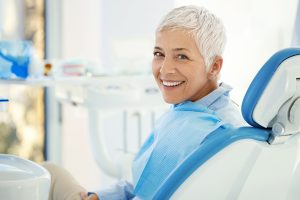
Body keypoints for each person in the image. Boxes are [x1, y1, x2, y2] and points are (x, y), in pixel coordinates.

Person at [43, 5, 245, 200]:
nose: (165, 70)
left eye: (181, 56)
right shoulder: (187, 111)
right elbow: (145, 182)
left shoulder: (221, 132)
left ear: (214, 66)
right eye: (159, 54)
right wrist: (98, 197)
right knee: (48, 172)